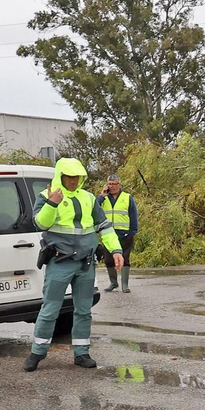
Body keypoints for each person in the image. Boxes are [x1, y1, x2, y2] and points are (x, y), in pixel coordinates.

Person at [23, 157, 123, 372]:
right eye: (69, 176)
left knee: (84, 310)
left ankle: (81, 353)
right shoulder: (47, 197)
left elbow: (104, 226)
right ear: (60, 176)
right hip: (60, 261)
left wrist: (116, 250)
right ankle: (37, 353)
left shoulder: (88, 198)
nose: (73, 181)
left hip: (86, 263)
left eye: (77, 176)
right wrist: (52, 203)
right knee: (50, 309)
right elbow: (40, 223)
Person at [97, 174, 138, 293]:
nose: (111, 186)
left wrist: (132, 232)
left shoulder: (127, 197)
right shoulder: (103, 198)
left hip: (124, 233)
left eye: (114, 184)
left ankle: (125, 284)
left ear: (119, 185)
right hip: (108, 233)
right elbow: (93, 208)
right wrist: (101, 196)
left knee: (125, 258)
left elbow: (133, 214)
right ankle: (113, 283)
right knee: (108, 259)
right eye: (109, 184)